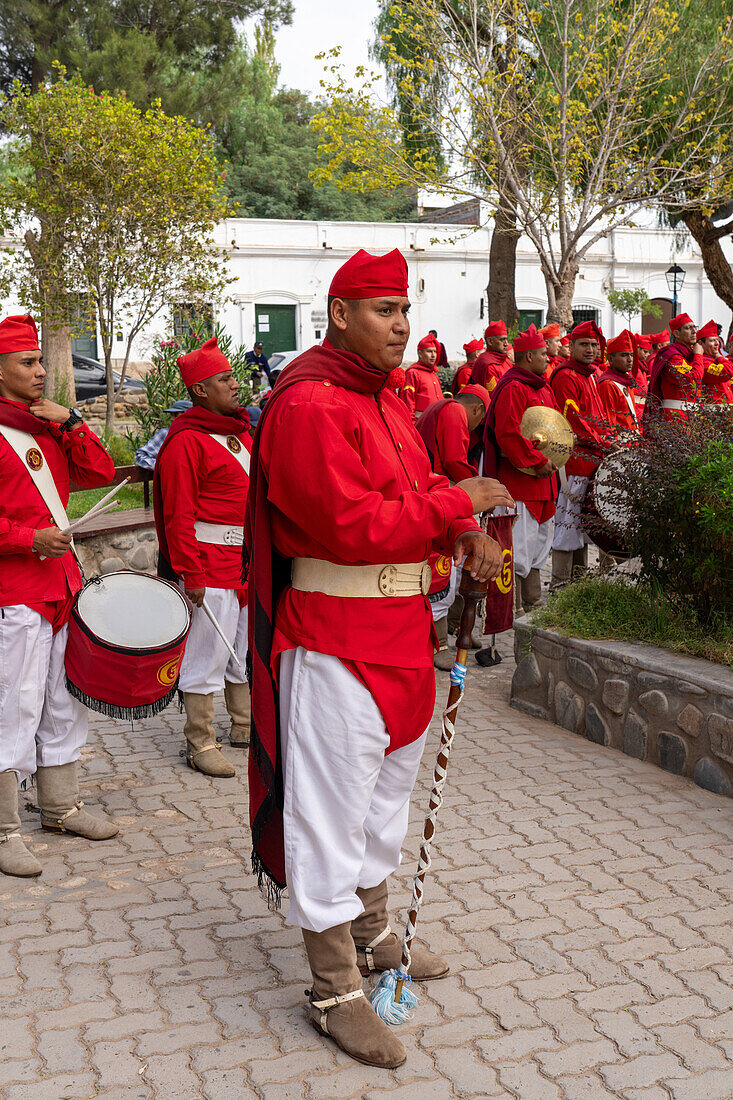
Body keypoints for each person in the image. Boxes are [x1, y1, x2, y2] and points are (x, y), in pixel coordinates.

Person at [245, 247, 511, 1069]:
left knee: (382, 803)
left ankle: (375, 937)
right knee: (329, 814)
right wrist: (456, 500)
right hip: (332, 634)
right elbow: (349, 526)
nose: (402, 325)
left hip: (400, 633)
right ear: (339, 315)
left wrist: (461, 532)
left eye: (404, 309)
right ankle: (332, 988)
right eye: (384, 310)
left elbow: (413, 494)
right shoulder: (309, 404)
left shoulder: (386, 401)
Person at [0, 314, 118, 878]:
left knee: (60, 700)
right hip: (15, 589)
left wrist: (72, 420)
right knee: (13, 705)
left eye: (40, 360)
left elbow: (97, 471)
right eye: (28, 363)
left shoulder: (45, 426)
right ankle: (4, 829)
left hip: (59, 585)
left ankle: (59, 806)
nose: (42, 371)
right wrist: (29, 539)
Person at [153, 336, 252, 779]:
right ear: (199, 390)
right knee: (207, 654)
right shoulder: (186, 442)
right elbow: (178, 514)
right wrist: (189, 572)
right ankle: (200, 741)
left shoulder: (238, 433)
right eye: (225, 378)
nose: (235, 384)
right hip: (208, 567)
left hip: (245, 565)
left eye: (233, 375)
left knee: (242, 649)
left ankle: (245, 726)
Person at [483, 324, 559, 613]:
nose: (547, 359)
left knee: (540, 545)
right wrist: (537, 461)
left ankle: (533, 601)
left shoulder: (542, 386)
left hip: (544, 483)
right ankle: (511, 610)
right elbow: (508, 433)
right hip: (521, 483)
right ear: (529, 357)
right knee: (517, 547)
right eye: (543, 354)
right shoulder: (514, 387)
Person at [416, 384, 492, 670]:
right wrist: (480, 490)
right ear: (477, 409)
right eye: (478, 422)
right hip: (437, 494)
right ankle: (439, 644)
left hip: (433, 492)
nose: (474, 429)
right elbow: (453, 460)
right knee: (441, 571)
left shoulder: (443, 406)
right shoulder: (454, 411)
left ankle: (459, 630)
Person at [550, 320, 608, 588]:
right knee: (568, 525)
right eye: (584, 344)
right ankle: (560, 586)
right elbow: (573, 420)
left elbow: (599, 418)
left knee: (583, 528)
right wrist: (603, 442)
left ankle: (579, 585)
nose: (590, 349)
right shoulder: (565, 375)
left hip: (593, 459)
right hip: (573, 463)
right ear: (571, 345)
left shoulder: (590, 374)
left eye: (594, 344)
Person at [643, 313, 705, 426]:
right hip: (676, 417)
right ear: (676, 333)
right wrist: (699, 355)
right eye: (688, 328)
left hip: (691, 416)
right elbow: (692, 378)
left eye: (694, 327)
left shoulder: (689, 354)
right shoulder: (672, 356)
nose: (694, 331)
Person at [134, 399, 192, 470]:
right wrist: (165, 467)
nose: (171, 418)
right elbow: (140, 457)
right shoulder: (166, 433)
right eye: (171, 415)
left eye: (175, 414)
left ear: (187, 414)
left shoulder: (201, 435)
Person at [400, 333, 443, 420]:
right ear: (420, 353)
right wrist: (411, 423)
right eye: (429, 351)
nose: (433, 355)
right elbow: (408, 400)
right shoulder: (412, 373)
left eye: (435, 351)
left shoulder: (433, 374)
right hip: (421, 422)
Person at [697, 320, 733, 405]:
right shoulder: (703, 362)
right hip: (713, 412)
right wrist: (721, 357)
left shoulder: (716, 360)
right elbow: (728, 371)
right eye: (712, 340)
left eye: (717, 340)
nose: (717, 343)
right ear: (700, 343)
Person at [470, 320, 509, 392]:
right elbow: (495, 394)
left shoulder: (506, 360)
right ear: (490, 341)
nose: (506, 343)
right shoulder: (487, 364)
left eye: (506, 339)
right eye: (502, 340)